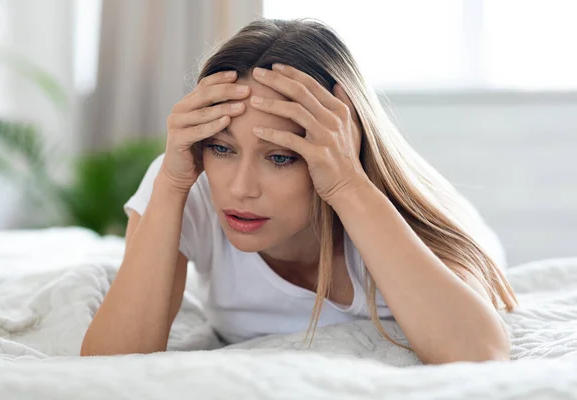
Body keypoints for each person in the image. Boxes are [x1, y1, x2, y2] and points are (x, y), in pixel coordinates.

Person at [81, 18, 518, 364]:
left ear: (340, 144)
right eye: (222, 148)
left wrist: (347, 183)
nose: (240, 188)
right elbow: (107, 361)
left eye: (280, 157)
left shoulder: (389, 203)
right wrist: (171, 183)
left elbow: (480, 354)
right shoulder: (187, 184)